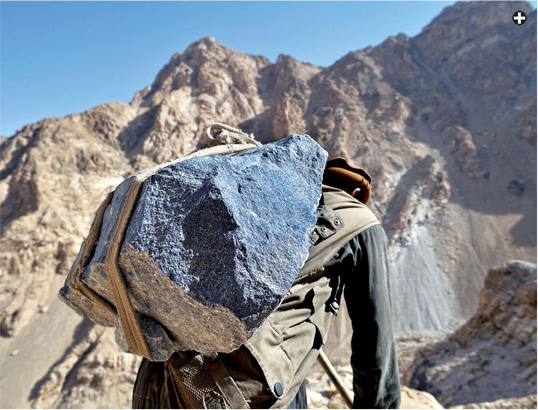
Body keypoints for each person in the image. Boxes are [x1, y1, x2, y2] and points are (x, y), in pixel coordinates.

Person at [132, 156, 401, 409]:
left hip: (158, 376)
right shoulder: (359, 220)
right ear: (355, 194)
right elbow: (374, 335)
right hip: (228, 386)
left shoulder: (266, 202)